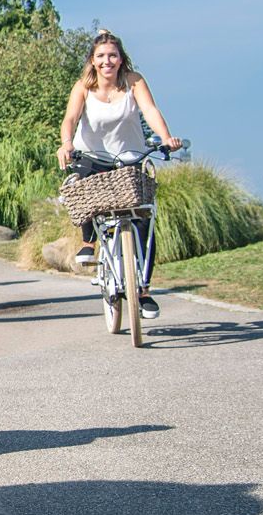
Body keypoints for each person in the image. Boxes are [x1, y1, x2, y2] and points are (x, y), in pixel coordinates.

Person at [56, 30, 182, 319]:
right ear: (92, 60)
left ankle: (144, 289)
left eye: (112, 55)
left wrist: (165, 137)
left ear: (121, 58)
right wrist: (66, 144)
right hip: (93, 156)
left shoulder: (133, 82)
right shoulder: (84, 87)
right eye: (100, 56)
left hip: (129, 158)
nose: (107, 61)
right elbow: (70, 119)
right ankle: (89, 241)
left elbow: (150, 110)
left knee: (143, 219)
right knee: (81, 187)